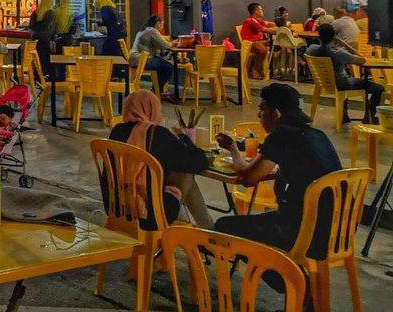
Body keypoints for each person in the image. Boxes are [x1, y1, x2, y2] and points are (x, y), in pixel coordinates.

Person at [215, 83, 341, 284]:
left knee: (225, 226)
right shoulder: (316, 135)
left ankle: (295, 284)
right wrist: (235, 150)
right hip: (338, 230)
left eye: (262, 108)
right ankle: (299, 285)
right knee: (261, 221)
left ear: (276, 113)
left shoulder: (283, 135)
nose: (259, 114)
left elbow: (248, 178)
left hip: (306, 232)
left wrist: (233, 150)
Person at [108, 90, 212, 228]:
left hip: (116, 205)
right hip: (149, 213)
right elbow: (199, 163)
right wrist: (185, 138)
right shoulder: (158, 134)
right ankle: (206, 230)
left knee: (170, 172)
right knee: (186, 174)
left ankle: (191, 227)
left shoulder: (116, 131)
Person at [306, 23, 383, 124]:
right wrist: (344, 44)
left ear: (319, 36)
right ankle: (370, 116)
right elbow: (362, 60)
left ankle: (344, 115)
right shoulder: (339, 54)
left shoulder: (311, 49)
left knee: (348, 78)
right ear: (334, 36)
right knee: (377, 88)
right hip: (342, 84)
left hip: (323, 83)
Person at [129, 15, 182, 99]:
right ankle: (156, 91)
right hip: (142, 59)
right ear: (157, 23)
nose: (162, 26)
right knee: (168, 66)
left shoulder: (144, 29)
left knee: (162, 64)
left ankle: (156, 90)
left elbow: (158, 43)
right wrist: (174, 43)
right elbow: (164, 45)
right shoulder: (152, 30)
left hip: (135, 58)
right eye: (162, 24)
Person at [240, 2, 276, 80]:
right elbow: (265, 30)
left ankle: (269, 70)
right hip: (249, 43)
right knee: (263, 50)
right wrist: (280, 30)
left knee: (274, 44)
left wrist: (281, 24)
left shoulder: (258, 20)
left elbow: (268, 24)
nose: (262, 11)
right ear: (256, 11)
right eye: (261, 9)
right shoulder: (251, 21)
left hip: (258, 42)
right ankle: (256, 70)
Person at [29, 0, 57, 81]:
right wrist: (52, 38)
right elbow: (50, 28)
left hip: (35, 39)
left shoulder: (35, 12)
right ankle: (45, 77)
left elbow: (30, 26)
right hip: (45, 39)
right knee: (46, 59)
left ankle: (37, 76)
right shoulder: (50, 13)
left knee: (37, 59)